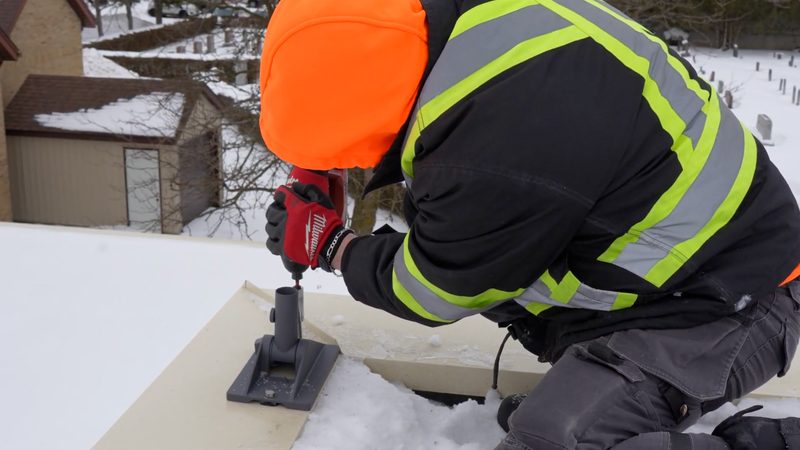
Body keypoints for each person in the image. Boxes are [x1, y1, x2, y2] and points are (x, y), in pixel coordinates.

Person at [260, 0, 800, 448]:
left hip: (736, 303)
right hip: (687, 259)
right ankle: (599, 391)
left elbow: (435, 289)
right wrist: (320, 156)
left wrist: (329, 244)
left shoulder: (488, 151)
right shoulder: (474, 33)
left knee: (549, 439)